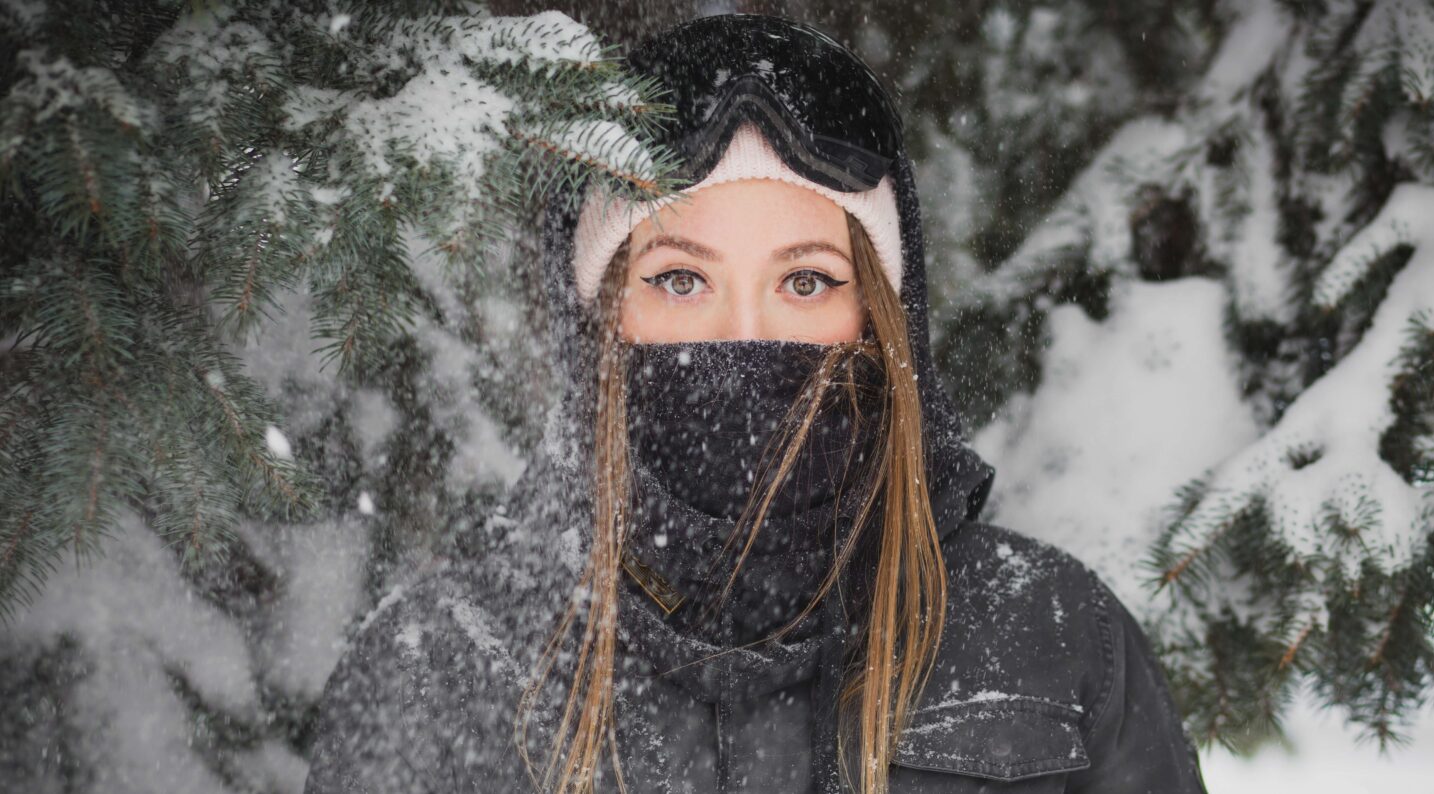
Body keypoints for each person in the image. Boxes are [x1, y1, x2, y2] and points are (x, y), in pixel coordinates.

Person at [303, 13, 1208, 794]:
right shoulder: (445, 665)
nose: (744, 337)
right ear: (596, 319)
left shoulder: (1049, 639)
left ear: (881, 317)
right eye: (681, 278)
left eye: (807, 281)